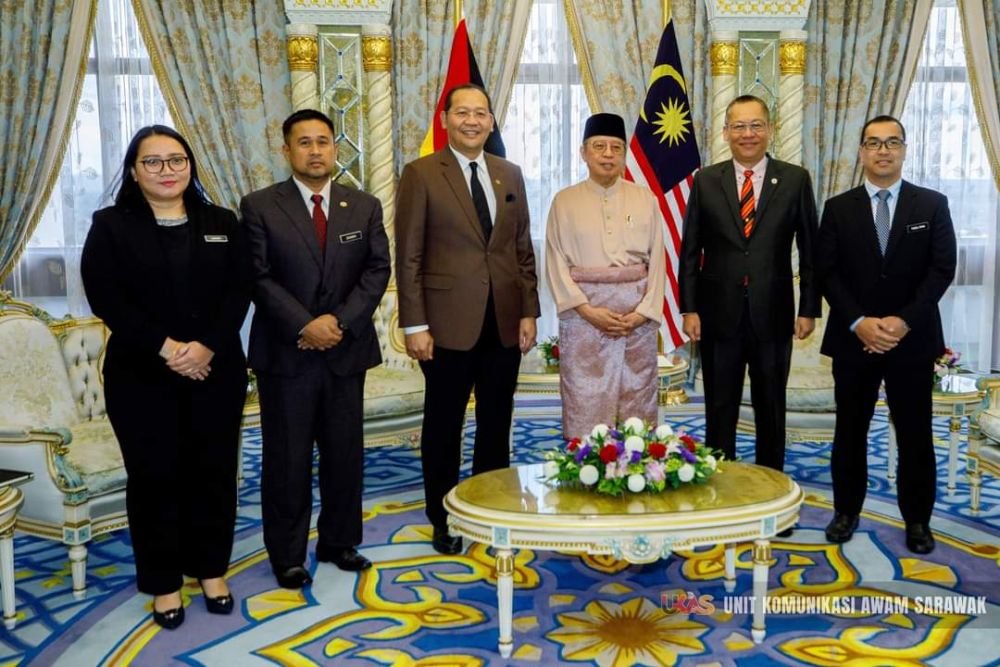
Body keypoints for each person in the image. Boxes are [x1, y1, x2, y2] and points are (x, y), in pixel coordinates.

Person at [81, 126, 251, 629]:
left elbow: (239, 290)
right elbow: (106, 297)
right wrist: (168, 347)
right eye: (152, 162)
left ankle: (211, 571)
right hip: (141, 376)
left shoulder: (221, 221)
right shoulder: (111, 225)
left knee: (214, 472)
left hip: (214, 370)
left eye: (176, 160)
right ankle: (163, 583)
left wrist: (205, 347)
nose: (166, 170)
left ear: (190, 165)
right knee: (155, 478)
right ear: (134, 171)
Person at [241, 109, 390, 588]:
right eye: (303, 143)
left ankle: (338, 541)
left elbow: (376, 271)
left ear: (335, 148)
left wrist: (339, 323)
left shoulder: (363, 205)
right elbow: (257, 277)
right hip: (288, 355)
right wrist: (306, 324)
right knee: (288, 459)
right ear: (286, 150)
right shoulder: (260, 206)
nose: (315, 151)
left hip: (346, 351)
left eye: (323, 142)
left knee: (345, 453)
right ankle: (287, 554)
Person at [395, 83, 540, 555]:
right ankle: (443, 516)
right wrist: (415, 325)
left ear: (492, 121)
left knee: (497, 422)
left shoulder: (509, 173)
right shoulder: (421, 174)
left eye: (481, 113)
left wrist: (529, 311)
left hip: (502, 321)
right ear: (446, 120)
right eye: (463, 113)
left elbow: (522, 250)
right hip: (444, 327)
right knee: (444, 425)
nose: (473, 121)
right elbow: (409, 256)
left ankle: (490, 509)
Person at [817, 115, 956, 554]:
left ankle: (917, 520)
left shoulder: (931, 205)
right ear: (861, 151)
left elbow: (941, 270)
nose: (883, 151)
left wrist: (903, 321)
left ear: (904, 149)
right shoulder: (838, 208)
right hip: (855, 338)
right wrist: (860, 321)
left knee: (915, 432)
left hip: (910, 340)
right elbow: (827, 273)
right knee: (850, 430)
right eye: (873, 143)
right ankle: (846, 511)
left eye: (891, 142)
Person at [678, 94, 820, 486]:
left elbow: (811, 249)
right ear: (725, 132)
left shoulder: (794, 179)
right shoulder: (707, 180)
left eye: (756, 124)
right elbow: (690, 249)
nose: (748, 134)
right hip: (717, 313)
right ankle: (719, 489)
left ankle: (771, 488)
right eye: (738, 126)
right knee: (719, 405)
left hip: (773, 313)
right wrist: (689, 309)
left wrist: (808, 308)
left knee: (770, 405)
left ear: (770, 129)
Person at [545, 113, 665, 439]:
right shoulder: (564, 201)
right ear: (584, 152)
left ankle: (637, 466)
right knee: (585, 395)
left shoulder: (645, 198)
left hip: (635, 319)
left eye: (616, 147)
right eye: (599, 146)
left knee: (636, 395)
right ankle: (585, 468)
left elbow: (658, 262)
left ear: (624, 153)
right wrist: (586, 310)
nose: (608, 154)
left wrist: (642, 313)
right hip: (584, 318)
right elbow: (555, 261)